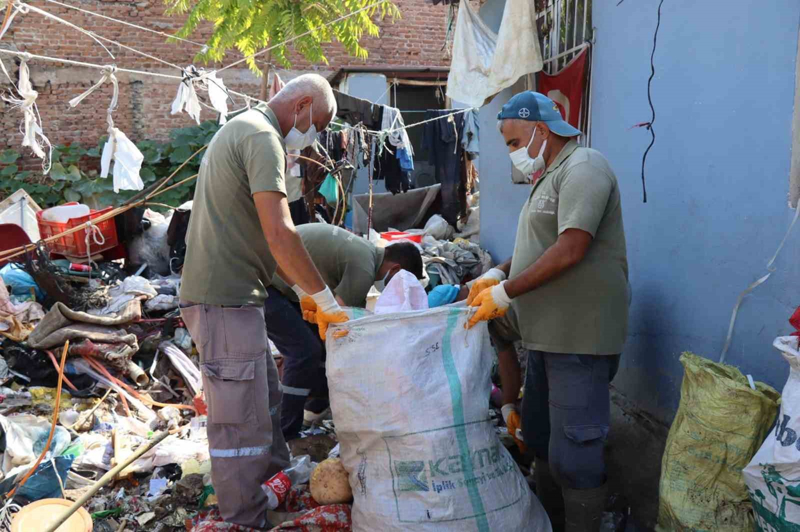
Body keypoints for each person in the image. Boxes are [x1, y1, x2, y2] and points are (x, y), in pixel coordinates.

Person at [179, 74, 349, 529]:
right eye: (319, 123)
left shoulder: (247, 129)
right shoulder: (262, 136)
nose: (314, 136)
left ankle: (274, 492)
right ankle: (245, 518)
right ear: (303, 105)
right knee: (239, 425)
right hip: (224, 300)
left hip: (235, 297)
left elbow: (259, 241)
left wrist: (301, 295)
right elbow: (280, 232)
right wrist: (325, 298)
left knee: (263, 408)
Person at [467, 91, 629, 532]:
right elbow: (534, 250)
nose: (513, 154)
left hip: (578, 336)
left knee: (575, 455)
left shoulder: (584, 167)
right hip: (543, 334)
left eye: (515, 143)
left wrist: (507, 290)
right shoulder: (548, 176)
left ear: (541, 130)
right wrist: (496, 275)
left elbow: (571, 247)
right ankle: (547, 522)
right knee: (539, 441)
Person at [267, 223, 424, 440]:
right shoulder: (364, 270)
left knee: (320, 348)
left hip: (281, 282)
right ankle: (285, 433)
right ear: (395, 269)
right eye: (397, 284)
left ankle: (313, 410)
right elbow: (339, 327)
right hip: (266, 282)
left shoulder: (367, 254)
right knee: (304, 352)